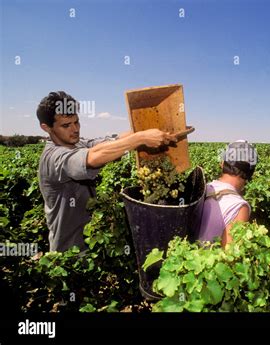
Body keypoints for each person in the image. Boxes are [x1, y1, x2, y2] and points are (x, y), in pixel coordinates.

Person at [37, 91, 179, 252]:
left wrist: (151, 128)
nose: (75, 129)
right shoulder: (53, 157)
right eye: (66, 125)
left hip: (90, 243)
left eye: (76, 122)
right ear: (46, 128)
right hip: (69, 252)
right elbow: (92, 157)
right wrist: (140, 138)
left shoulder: (77, 143)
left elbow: (109, 143)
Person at [197, 140, 258, 248]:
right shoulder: (239, 207)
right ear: (250, 173)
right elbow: (230, 256)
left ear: (222, 164)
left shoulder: (205, 188)